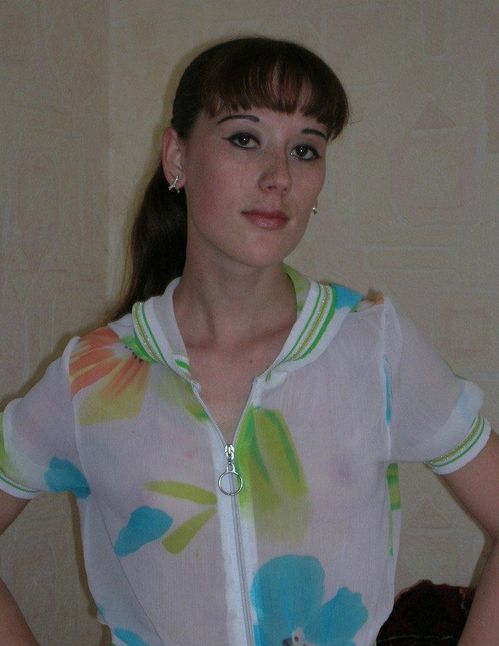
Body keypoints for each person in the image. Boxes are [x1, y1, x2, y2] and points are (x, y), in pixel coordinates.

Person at [0, 37, 497, 646]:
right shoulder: (95, 375)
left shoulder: (371, 348)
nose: (279, 176)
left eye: (305, 150)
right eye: (244, 138)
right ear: (177, 157)